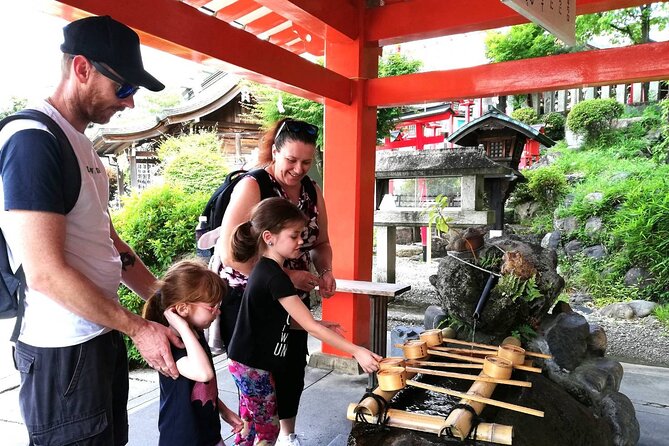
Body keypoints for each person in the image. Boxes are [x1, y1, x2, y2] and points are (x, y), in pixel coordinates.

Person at [0, 16, 182, 445]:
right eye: (124, 88)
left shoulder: (83, 145)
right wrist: (138, 328)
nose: (130, 103)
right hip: (62, 351)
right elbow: (44, 272)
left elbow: (110, 243)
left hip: (99, 334)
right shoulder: (33, 140)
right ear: (82, 69)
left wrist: (162, 298)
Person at [210, 118, 336, 445]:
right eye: (291, 160)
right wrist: (287, 275)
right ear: (275, 151)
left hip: (291, 292)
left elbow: (321, 244)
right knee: (256, 379)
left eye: (307, 162)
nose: (298, 169)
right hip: (249, 294)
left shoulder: (311, 189)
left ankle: (286, 435)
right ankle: (252, 436)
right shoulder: (253, 185)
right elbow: (229, 252)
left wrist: (325, 272)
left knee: (292, 365)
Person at [227, 198, 380, 445]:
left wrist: (319, 323)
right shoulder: (274, 277)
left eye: (302, 235)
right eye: (294, 235)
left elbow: (278, 320)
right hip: (253, 365)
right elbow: (308, 325)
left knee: (251, 426)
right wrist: (357, 351)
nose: (301, 242)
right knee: (267, 431)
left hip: (246, 362)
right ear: (269, 237)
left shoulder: (266, 271)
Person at [143, 260, 243, 445]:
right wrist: (181, 326)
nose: (218, 312)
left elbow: (202, 387)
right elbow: (203, 374)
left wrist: (223, 411)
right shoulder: (173, 347)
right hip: (183, 438)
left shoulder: (194, 336)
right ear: (182, 308)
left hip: (207, 432)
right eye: (212, 306)